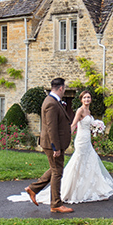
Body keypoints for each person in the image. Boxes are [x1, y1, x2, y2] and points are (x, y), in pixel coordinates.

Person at [9, 89, 113, 206]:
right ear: (81, 100)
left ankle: (94, 190)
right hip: (81, 141)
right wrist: (66, 138)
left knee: (91, 163)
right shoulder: (80, 110)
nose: (87, 99)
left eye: (88, 97)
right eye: (85, 97)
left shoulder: (89, 111)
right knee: (77, 163)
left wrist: (97, 127)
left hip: (88, 140)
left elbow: (89, 126)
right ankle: (71, 191)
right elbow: (73, 125)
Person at [22, 77, 74, 213]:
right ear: (61, 88)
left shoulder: (53, 101)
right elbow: (51, 127)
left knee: (55, 168)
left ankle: (33, 189)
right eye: (65, 88)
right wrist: (55, 147)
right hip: (52, 144)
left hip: (54, 143)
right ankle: (56, 204)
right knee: (57, 172)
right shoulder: (51, 103)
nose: (64, 90)